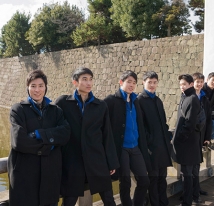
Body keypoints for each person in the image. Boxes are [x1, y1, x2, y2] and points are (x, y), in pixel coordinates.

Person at [55, 67, 119, 206]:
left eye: (90, 79)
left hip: (97, 159)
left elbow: (107, 134)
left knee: (108, 198)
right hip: (73, 160)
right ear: (75, 82)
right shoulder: (63, 103)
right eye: (84, 79)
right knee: (69, 200)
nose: (88, 83)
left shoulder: (100, 105)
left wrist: (111, 161)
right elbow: (54, 127)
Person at [8, 69, 70, 206]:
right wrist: (50, 145)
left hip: (50, 174)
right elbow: (18, 141)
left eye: (41, 86)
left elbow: (65, 133)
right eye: (33, 86)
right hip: (25, 174)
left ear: (46, 87)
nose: (37, 90)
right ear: (27, 88)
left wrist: (39, 134)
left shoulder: (56, 111)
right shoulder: (18, 109)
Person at [104, 70, 151, 206]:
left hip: (135, 147)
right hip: (121, 148)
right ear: (121, 82)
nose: (131, 85)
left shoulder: (135, 100)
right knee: (125, 182)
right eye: (128, 82)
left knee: (144, 180)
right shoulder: (111, 100)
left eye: (134, 82)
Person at [138, 71, 172, 206]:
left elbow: (163, 122)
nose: (152, 85)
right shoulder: (140, 100)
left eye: (154, 82)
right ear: (143, 82)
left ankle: (164, 202)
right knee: (153, 179)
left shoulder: (157, 100)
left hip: (163, 146)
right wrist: (149, 141)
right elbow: (141, 126)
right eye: (149, 82)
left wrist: (167, 136)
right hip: (151, 148)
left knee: (162, 178)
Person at [172, 74, 201, 206]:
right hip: (187, 141)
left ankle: (187, 201)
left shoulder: (192, 98)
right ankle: (188, 197)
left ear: (190, 84)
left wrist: (179, 138)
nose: (181, 87)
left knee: (187, 173)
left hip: (188, 142)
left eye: (184, 84)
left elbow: (189, 123)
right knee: (187, 172)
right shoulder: (185, 96)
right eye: (180, 84)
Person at [192, 72, 212, 197]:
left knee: (197, 163)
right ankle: (190, 191)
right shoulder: (188, 96)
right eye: (197, 82)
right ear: (192, 83)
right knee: (190, 166)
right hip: (191, 136)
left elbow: (209, 119)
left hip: (201, 135)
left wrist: (207, 137)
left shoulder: (205, 98)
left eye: (201, 82)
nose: (199, 84)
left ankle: (197, 188)